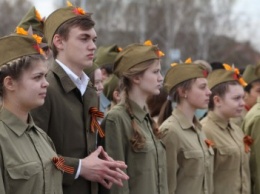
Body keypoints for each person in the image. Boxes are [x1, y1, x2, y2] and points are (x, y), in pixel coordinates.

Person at [31, 3, 128, 194]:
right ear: (59, 42)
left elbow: (91, 140)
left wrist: (102, 163)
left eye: (94, 39)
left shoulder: (90, 91)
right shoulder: (45, 88)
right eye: (84, 38)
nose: (93, 46)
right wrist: (79, 167)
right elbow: (35, 157)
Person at [100, 43, 168, 194]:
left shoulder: (147, 119)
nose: (160, 78)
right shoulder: (116, 119)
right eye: (155, 72)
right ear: (136, 77)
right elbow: (117, 184)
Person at [0, 32, 62, 193]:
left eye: (45, 76)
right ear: (10, 83)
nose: (46, 84)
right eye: (37, 77)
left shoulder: (42, 137)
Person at [159, 62, 213, 194]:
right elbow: (166, 185)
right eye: (202, 87)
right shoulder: (170, 131)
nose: (209, 92)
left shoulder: (199, 129)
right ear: (183, 92)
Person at [201, 64, 250, 194]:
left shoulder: (237, 130)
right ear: (217, 100)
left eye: (243, 98)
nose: (243, 103)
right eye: (236, 98)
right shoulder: (204, 131)